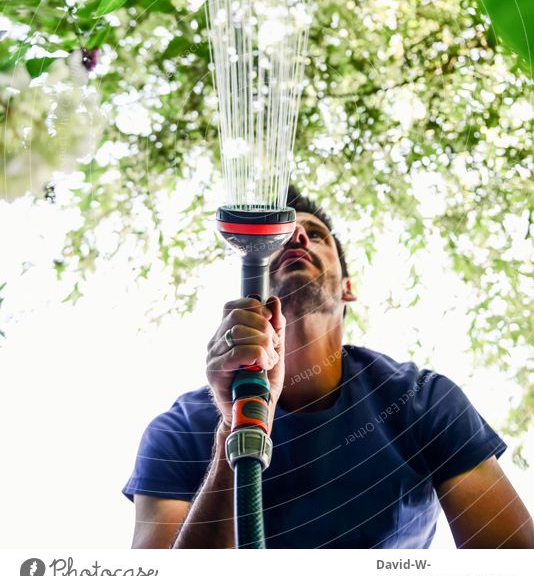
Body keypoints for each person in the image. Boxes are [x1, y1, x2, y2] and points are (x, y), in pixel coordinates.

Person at [123, 187, 534, 549]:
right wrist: (233, 429)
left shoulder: (423, 400)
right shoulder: (178, 429)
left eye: (315, 234)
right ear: (252, 278)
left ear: (348, 287)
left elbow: (512, 565)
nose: (298, 235)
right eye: (283, 235)